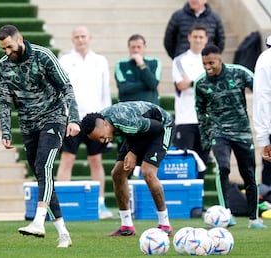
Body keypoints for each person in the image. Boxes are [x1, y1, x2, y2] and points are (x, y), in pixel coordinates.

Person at [0, 24, 81, 248]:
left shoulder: (43, 56)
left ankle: (38, 220)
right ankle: (63, 233)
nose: (8, 52)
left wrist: (73, 118)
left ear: (20, 39)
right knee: (43, 177)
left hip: (53, 119)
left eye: (10, 47)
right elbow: (4, 102)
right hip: (28, 126)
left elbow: (66, 87)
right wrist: (5, 130)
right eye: (3, 49)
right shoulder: (3, 67)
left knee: (44, 165)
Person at [194, 44, 267, 229]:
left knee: (249, 174)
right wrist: (205, 139)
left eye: (211, 63)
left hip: (242, 132)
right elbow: (200, 113)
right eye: (204, 64)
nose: (207, 67)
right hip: (219, 133)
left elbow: (261, 89)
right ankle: (225, 214)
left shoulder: (239, 73)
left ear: (220, 59)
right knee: (224, 168)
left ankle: (254, 219)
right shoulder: (201, 83)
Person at [81, 101, 174, 236]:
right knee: (117, 174)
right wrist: (131, 152)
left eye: (102, 137)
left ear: (106, 124)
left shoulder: (124, 121)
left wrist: (133, 152)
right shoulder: (102, 120)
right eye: (98, 140)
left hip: (162, 128)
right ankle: (126, 226)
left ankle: (165, 224)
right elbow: (132, 134)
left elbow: (156, 128)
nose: (103, 141)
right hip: (137, 132)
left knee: (148, 172)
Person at [56, 25, 113, 219]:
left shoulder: (100, 61)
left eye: (84, 36)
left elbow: (105, 92)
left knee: (96, 161)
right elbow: (60, 90)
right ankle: (61, 204)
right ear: (73, 39)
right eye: (77, 37)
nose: (81, 40)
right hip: (72, 119)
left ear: (90, 38)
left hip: (96, 120)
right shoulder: (64, 60)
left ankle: (100, 204)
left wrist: (106, 120)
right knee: (67, 159)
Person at [172, 24, 209, 178]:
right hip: (185, 120)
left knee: (202, 166)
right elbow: (181, 85)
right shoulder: (180, 60)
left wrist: (192, 82)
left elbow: (212, 87)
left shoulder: (211, 60)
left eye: (201, 37)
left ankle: (197, 201)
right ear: (189, 38)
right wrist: (201, 82)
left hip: (205, 120)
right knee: (183, 166)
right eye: (195, 37)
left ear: (206, 39)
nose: (198, 40)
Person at [115, 34, 161, 105]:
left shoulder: (155, 62)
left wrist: (142, 65)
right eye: (133, 47)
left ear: (144, 47)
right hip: (127, 108)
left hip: (149, 108)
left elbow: (153, 84)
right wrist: (146, 85)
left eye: (139, 47)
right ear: (129, 48)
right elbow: (123, 88)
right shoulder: (120, 64)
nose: (136, 50)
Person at [253, 34, 271, 186]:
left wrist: (263, 138)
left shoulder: (266, 59)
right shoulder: (266, 59)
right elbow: (262, 99)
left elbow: (262, 99)